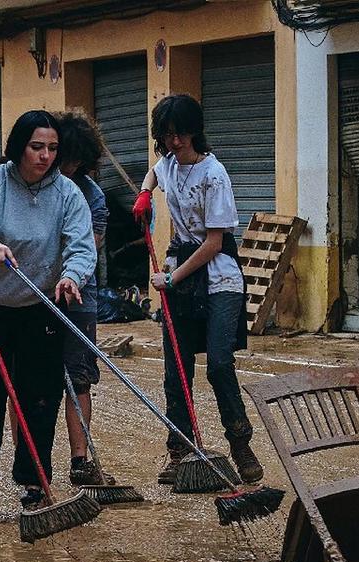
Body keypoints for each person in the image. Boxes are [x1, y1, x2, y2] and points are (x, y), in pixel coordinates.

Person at [0, 110, 96, 517]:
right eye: (36, 147)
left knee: (39, 397)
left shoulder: (67, 193)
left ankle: (34, 482)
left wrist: (72, 275)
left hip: (40, 305)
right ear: (19, 147)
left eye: (52, 149)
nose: (45, 156)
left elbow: (81, 245)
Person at [131, 94, 263, 486]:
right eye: (168, 135)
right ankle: (180, 450)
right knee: (176, 369)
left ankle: (241, 445)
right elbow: (155, 173)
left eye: (181, 134)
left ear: (195, 131)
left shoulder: (213, 174)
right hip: (181, 275)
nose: (175, 143)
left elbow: (214, 243)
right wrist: (143, 192)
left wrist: (172, 279)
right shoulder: (168, 164)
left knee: (220, 363)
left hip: (219, 277)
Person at [54, 109, 115, 486]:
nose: (69, 167)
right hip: (30, 293)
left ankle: (80, 461)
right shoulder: (29, 187)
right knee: (32, 382)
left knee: (78, 378)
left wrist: (68, 275)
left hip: (79, 295)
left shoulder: (93, 197)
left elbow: (88, 250)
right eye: (65, 159)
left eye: (77, 160)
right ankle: (32, 468)